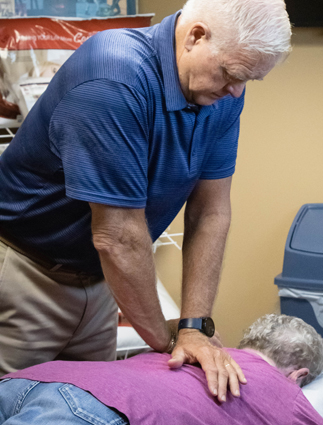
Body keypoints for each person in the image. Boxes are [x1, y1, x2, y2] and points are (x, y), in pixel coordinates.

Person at [0, 0, 292, 401]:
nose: (236, 91)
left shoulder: (222, 95)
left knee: (88, 406)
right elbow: (117, 237)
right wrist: (167, 341)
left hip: (99, 280)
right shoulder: (113, 77)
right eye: (230, 73)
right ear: (195, 36)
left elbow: (210, 212)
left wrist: (194, 326)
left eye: (248, 81)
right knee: (11, 404)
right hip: (23, 273)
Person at [0, 314, 323, 425]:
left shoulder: (193, 349)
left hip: (33, 379)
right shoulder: (285, 393)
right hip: (90, 412)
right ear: (298, 376)